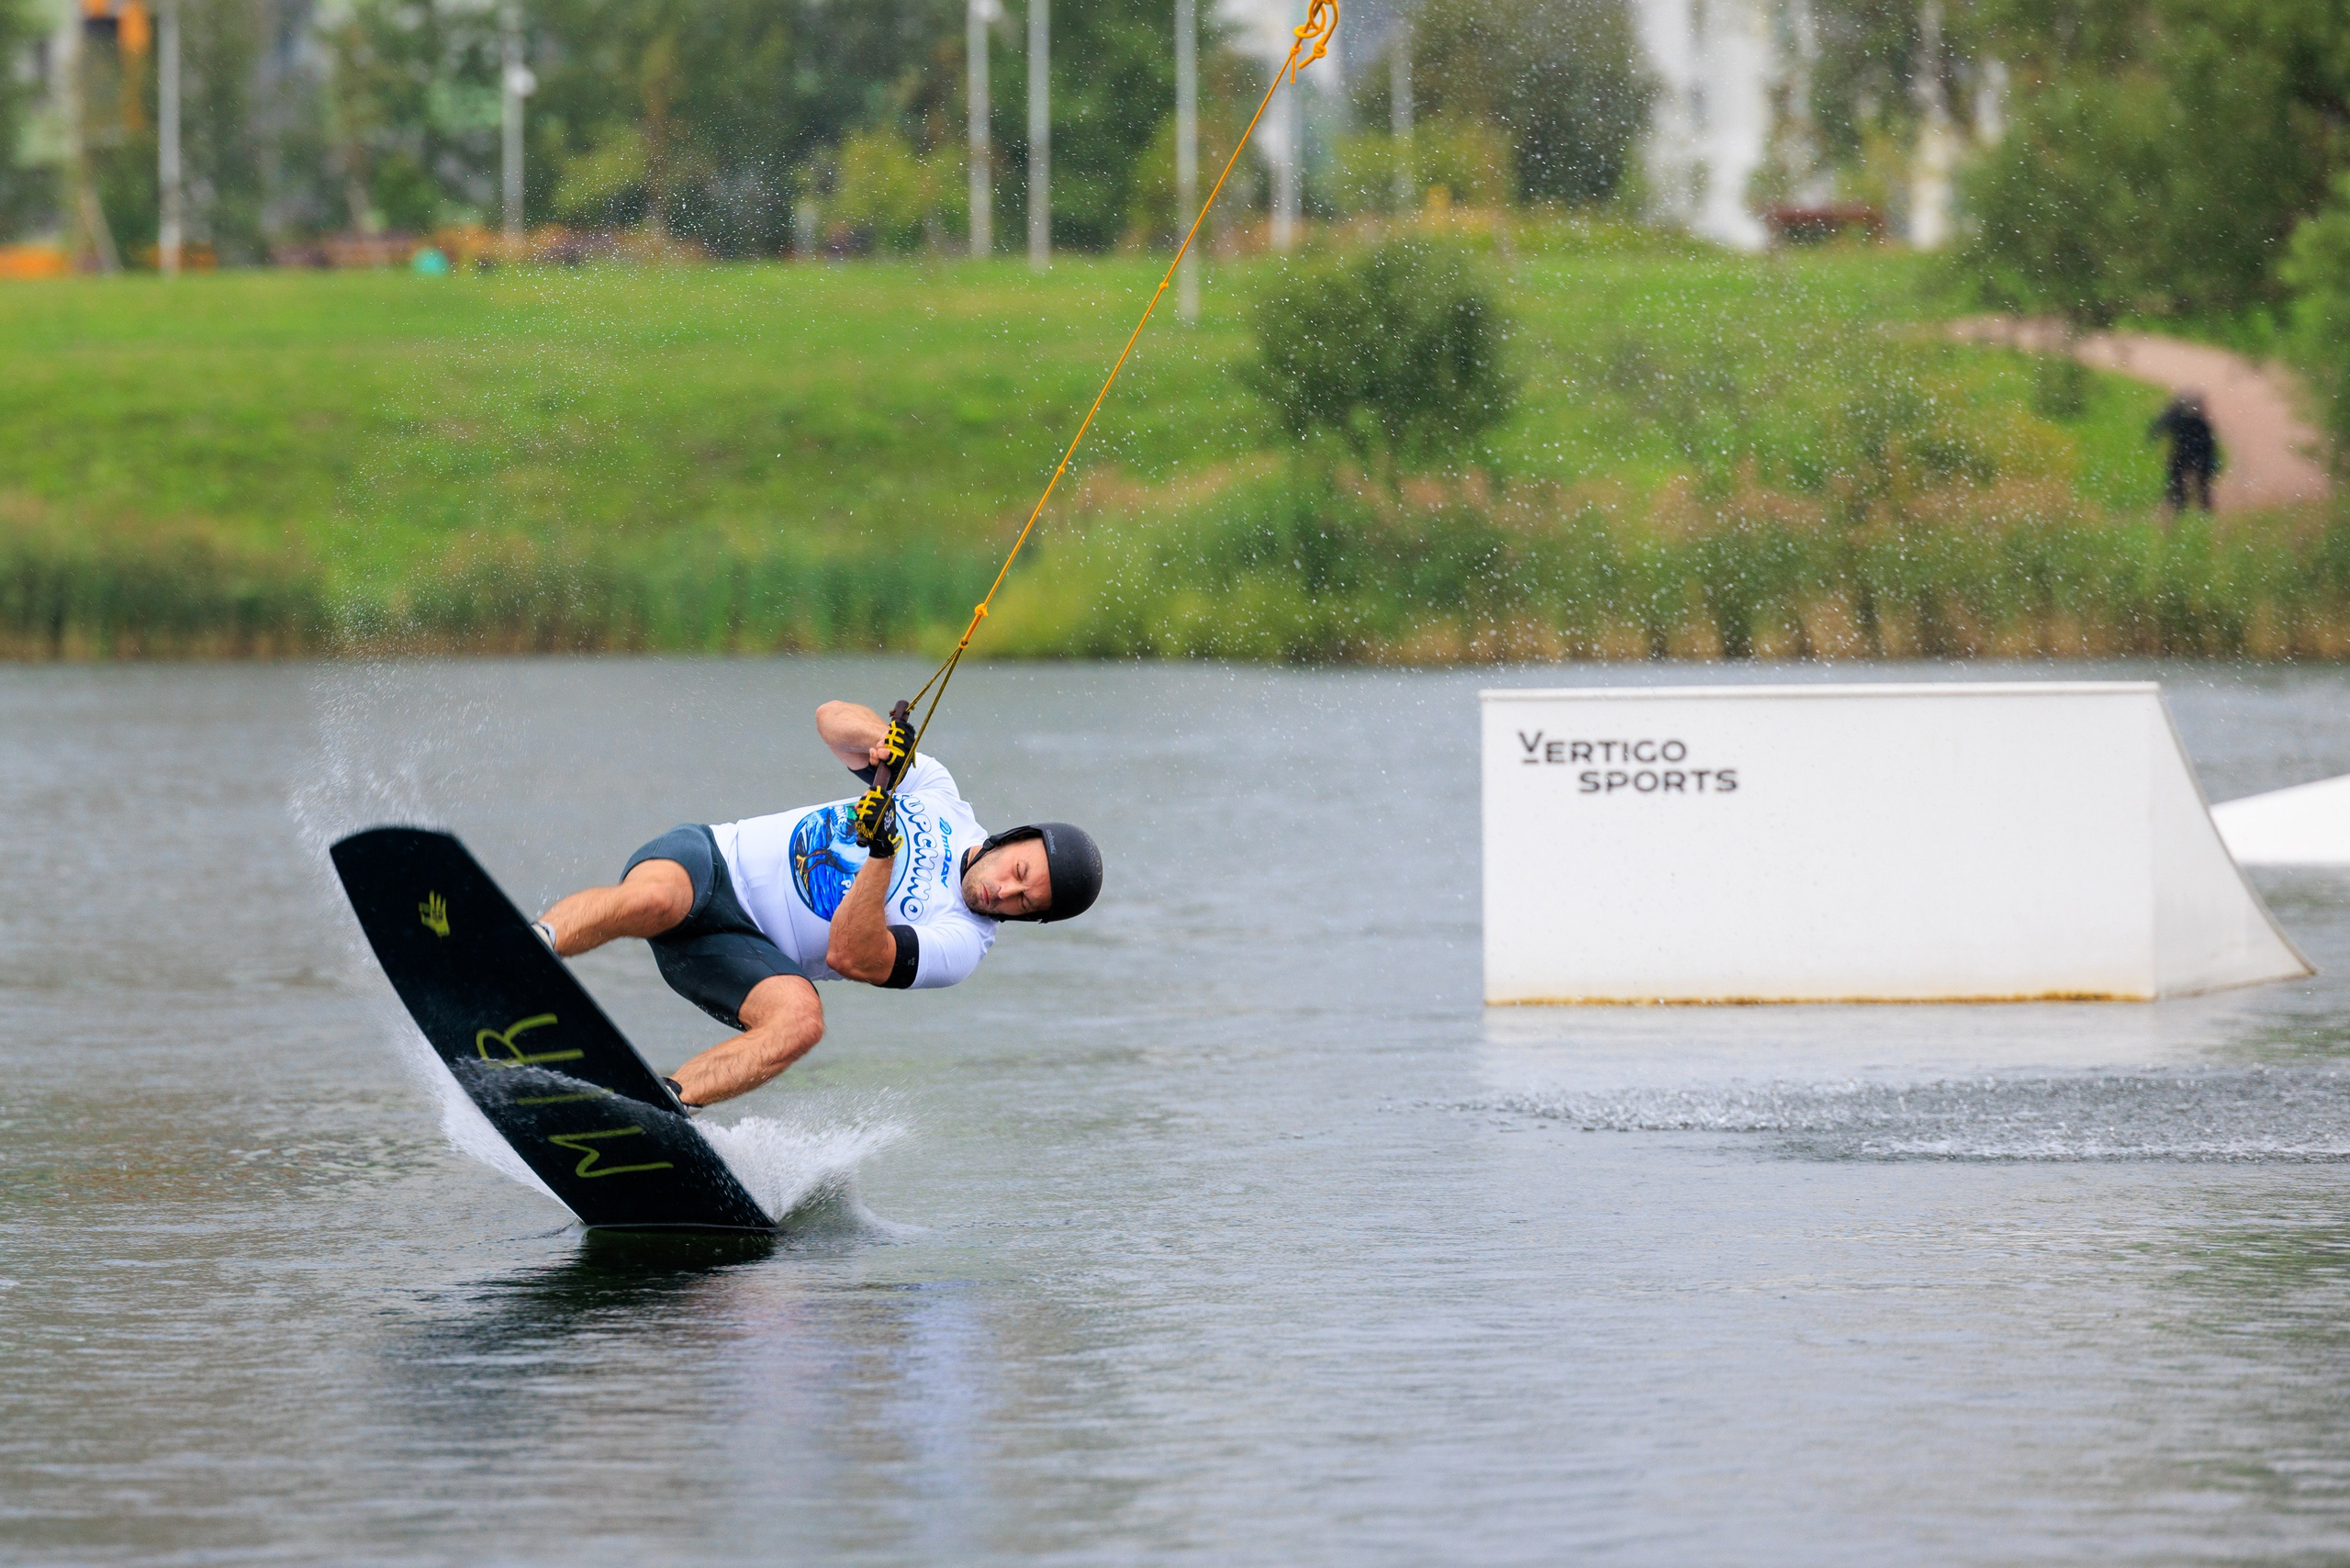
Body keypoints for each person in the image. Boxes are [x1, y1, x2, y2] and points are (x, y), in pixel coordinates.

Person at [532, 700, 1102, 1110]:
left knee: (802, 1022)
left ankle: (662, 1107)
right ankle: (533, 946)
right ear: (1012, 839)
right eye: (1019, 873)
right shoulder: (937, 793)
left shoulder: (961, 944)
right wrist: (883, 738)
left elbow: (851, 956)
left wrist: (882, 853)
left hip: (740, 952)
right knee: (657, 899)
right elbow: (830, 719)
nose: (1005, 893)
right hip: (714, 862)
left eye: (1025, 903)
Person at [2147, 391, 2220, 514]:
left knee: (2181, 482)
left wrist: (2153, 435)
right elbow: (2210, 444)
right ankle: (2200, 509)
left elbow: (2161, 424)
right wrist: (2212, 462)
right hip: (2197, 454)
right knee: (2202, 486)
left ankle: (2181, 504)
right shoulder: (2201, 422)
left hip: (2184, 453)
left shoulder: (2179, 419)